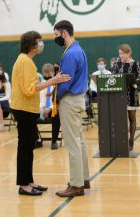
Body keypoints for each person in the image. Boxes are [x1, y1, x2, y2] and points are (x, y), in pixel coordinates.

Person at [11, 30, 71, 196]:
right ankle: (23, 185)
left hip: (27, 109)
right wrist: (53, 80)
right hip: (23, 109)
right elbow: (29, 90)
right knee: (25, 147)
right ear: (31, 45)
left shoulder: (26, 61)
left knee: (29, 146)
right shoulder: (25, 62)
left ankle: (29, 181)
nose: (40, 45)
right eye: (38, 41)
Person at [53, 20, 90, 197]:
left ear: (64, 33)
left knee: (72, 142)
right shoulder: (79, 49)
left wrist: (56, 98)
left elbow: (65, 81)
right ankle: (83, 178)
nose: (55, 38)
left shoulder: (70, 54)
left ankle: (76, 185)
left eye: (56, 35)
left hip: (69, 100)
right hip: (79, 99)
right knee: (79, 140)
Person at [111, 44, 140, 150]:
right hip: (119, 95)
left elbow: (139, 78)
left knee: (132, 118)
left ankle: (131, 140)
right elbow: (113, 76)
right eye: (119, 54)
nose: (121, 56)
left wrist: (133, 82)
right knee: (120, 118)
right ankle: (121, 140)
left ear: (128, 53)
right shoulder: (117, 64)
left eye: (123, 53)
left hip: (132, 95)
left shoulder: (136, 64)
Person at [38, 63, 61, 150]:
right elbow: (40, 99)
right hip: (42, 108)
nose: (46, 74)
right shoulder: (41, 84)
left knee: (56, 114)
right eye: (45, 72)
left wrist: (50, 108)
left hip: (53, 108)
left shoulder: (57, 84)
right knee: (29, 115)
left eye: (48, 72)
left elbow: (57, 100)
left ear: (53, 73)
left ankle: (54, 141)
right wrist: (42, 108)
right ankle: (37, 140)